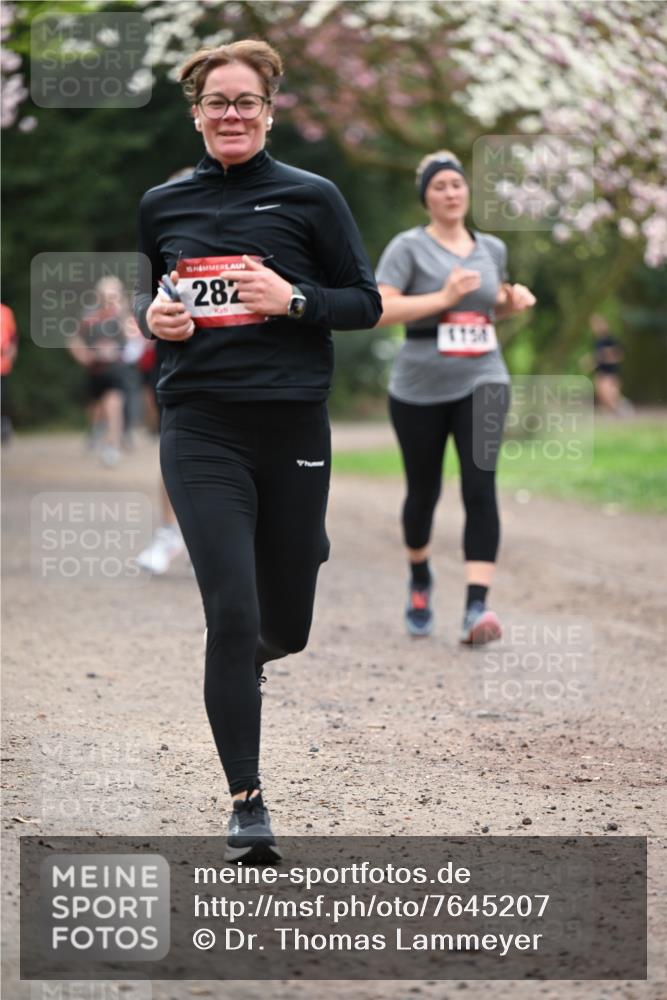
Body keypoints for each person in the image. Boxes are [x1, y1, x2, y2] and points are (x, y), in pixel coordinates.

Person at [134, 40, 381, 861]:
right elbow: (160, 298)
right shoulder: (162, 204)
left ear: (268, 111)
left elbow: (365, 302)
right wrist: (154, 322)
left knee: (289, 626)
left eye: (245, 101)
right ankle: (247, 804)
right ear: (196, 112)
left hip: (291, 430)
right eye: (216, 102)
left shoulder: (311, 198)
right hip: (201, 427)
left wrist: (295, 297)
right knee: (231, 615)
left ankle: (251, 652)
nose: (230, 114)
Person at [375, 150, 535, 645]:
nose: (450, 192)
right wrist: (442, 298)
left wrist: (509, 305)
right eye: (439, 185)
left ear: (467, 192)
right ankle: (421, 577)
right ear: (426, 196)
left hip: (484, 376)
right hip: (419, 385)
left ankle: (476, 607)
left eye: (457, 185)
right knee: (423, 492)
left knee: (480, 485)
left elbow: (483, 312)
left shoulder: (491, 248)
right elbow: (381, 308)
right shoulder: (407, 247)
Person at [69, 276, 135, 467]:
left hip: (116, 369)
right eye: (106, 295)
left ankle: (112, 446)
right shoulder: (90, 315)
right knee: (96, 409)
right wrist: (84, 355)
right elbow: (74, 339)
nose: (110, 299)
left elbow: (136, 339)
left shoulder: (123, 316)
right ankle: (95, 431)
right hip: (95, 370)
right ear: (99, 295)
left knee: (114, 404)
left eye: (114, 294)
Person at [1, 303, 18, 444]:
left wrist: (11, 352)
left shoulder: (6, 311)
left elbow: (13, 336)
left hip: (2, 365)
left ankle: (4, 424)